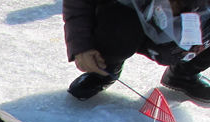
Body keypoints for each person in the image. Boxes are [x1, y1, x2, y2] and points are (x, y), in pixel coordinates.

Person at [63, 0, 210, 101]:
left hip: (180, 37)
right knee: (116, 25)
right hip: (128, 20)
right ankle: (105, 69)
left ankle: (184, 75)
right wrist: (81, 46)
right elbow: (79, 3)